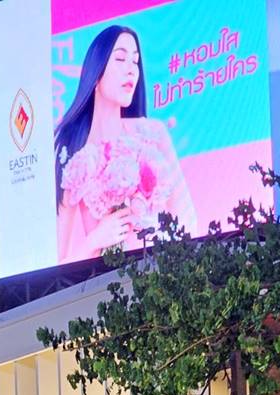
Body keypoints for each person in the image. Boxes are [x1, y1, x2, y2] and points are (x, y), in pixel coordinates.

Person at [54, 24, 195, 264]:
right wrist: (96, 238)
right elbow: (59, 262)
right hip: (105, 286)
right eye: (120, 59)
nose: (131, 70)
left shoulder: (153, 133)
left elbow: (187, 218)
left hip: (162, 274)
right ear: (95, 73)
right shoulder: (74, 156)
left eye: (135, 62)